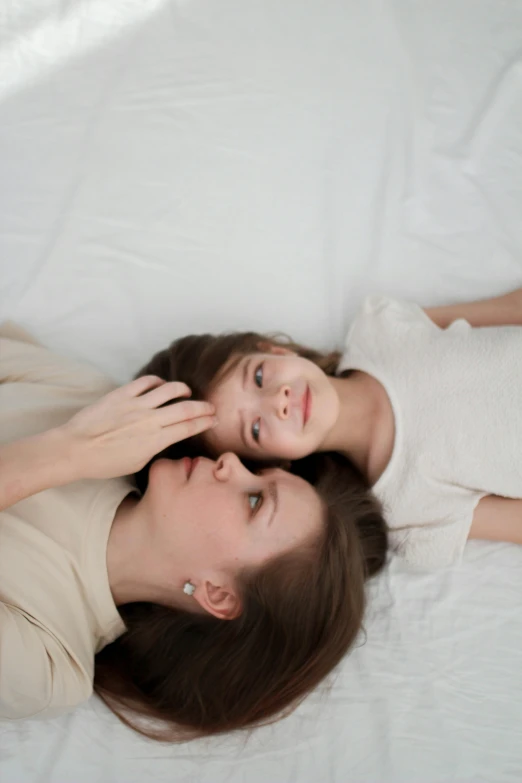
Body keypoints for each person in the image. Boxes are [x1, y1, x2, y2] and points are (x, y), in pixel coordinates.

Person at [0, 322, 387, 740]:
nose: (230, 464)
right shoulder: (104, 407)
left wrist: (70, 453)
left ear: (216, 593)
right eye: (255, 469)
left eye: (254, 501)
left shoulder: (51, 663)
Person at [137, 286, 522, 569]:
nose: (278, 400)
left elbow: (510, 308)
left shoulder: (380, 329)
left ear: (273, 349)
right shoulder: (406, 510)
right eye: (255, 429)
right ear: (272, 466)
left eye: (257, 376)